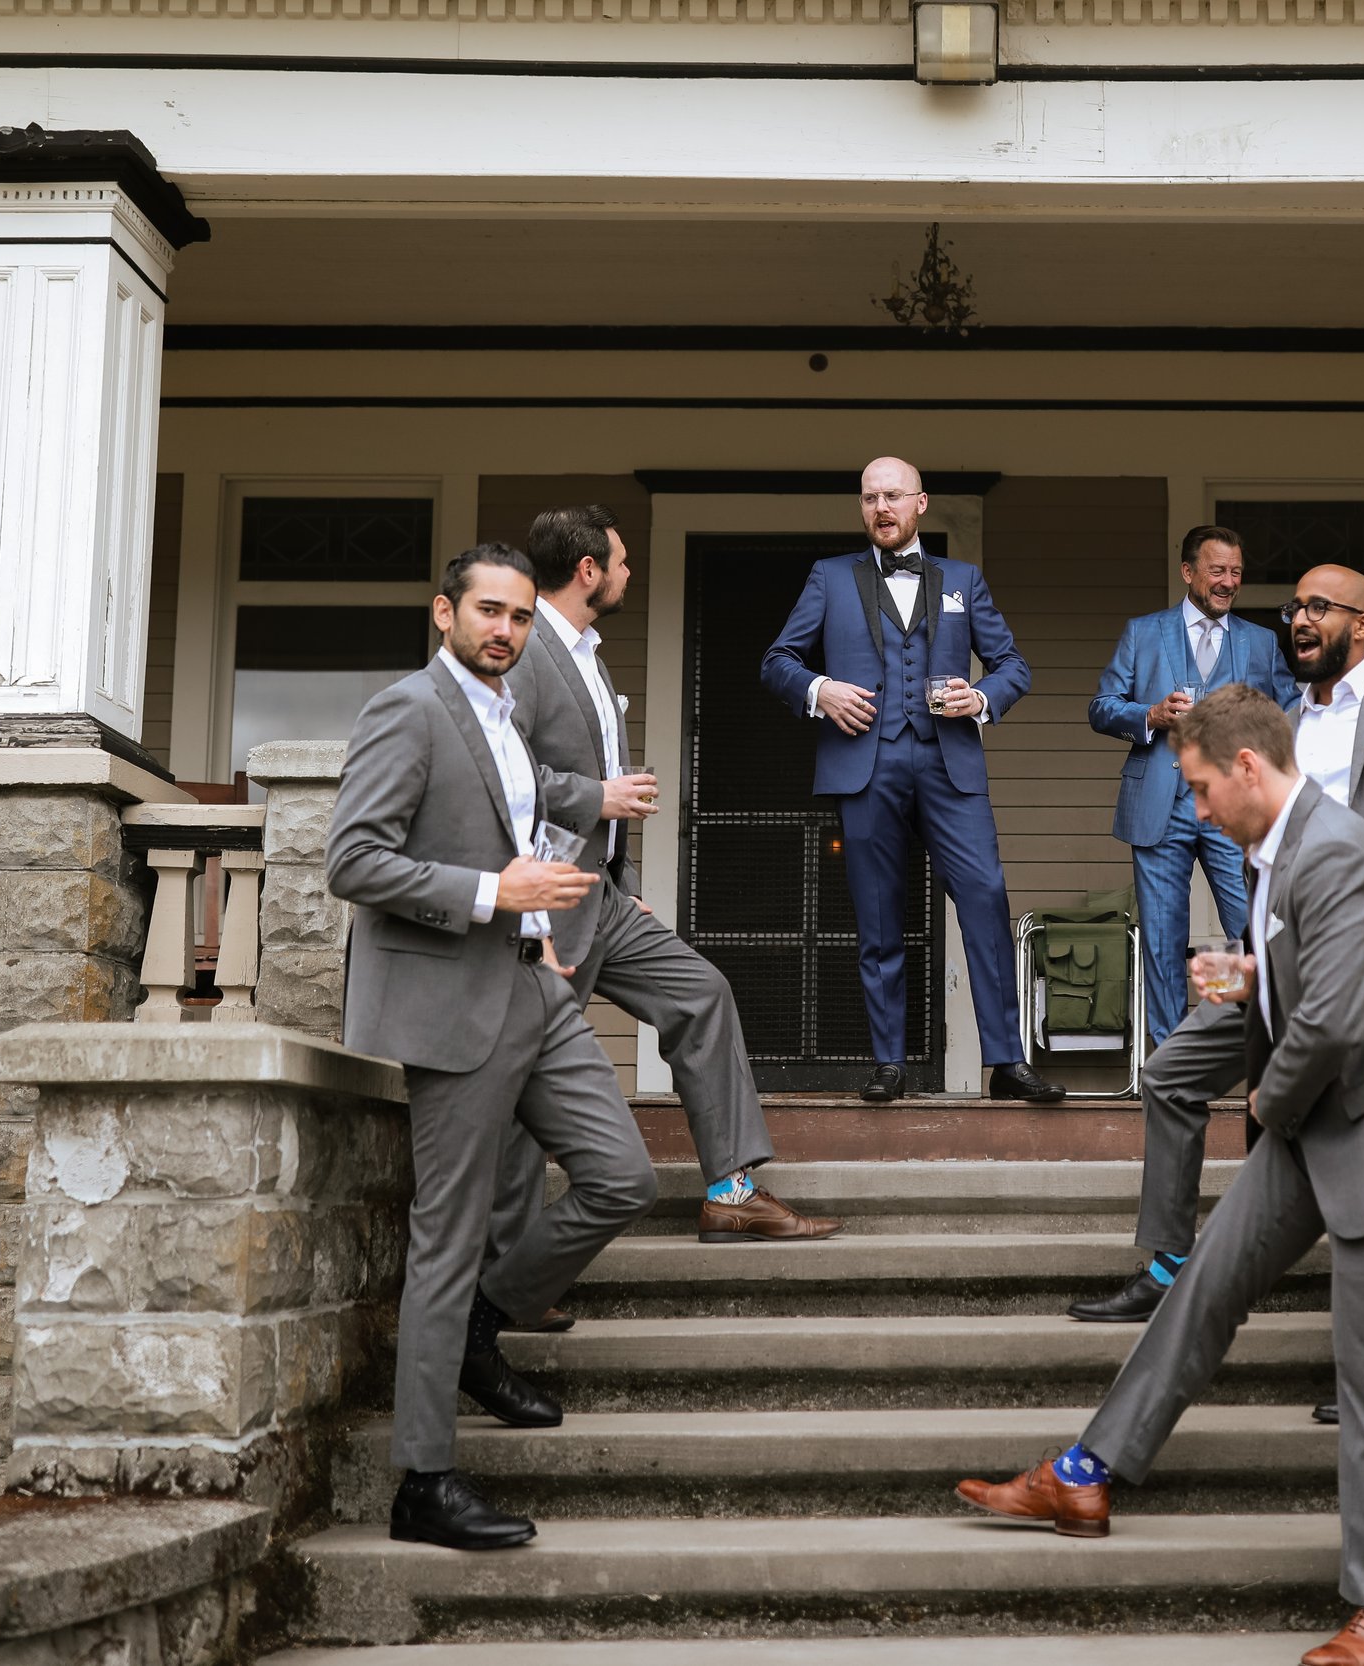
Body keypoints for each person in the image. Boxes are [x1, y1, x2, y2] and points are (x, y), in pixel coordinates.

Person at [954, 685, 1364, 1666]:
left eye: (1197, 789)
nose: (1193, 809)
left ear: (1246, 767)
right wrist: (1246, 980)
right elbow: (1311, 978)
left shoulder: (1337, 850)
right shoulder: (1277, 848)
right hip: (1318, 1124)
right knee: (1201, 1291)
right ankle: (1084, 1474)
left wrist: (1266, 1103)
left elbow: (1334, 1022)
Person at [1067, 563, 1364, 1328]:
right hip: (1276, 961)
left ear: (1362, 624)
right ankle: (1169, 1267)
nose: (1299, 619)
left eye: (1319, 607)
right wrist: (1243, 958)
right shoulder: (1278, 726)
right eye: (1293, 607)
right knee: (1171, 1074)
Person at [327, 542, 660, 1551]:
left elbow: (518, 836)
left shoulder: (506, 717)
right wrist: (492, 894)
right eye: (487, 611)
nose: (505, 629)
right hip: (452, 1003)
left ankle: (481, 1322)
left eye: (518, 615)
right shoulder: (409, 710)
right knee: (448, 1233)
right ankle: (423, 1481)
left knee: (622, 1176)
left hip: (532, 984)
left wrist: (538, 926)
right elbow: (354, 859)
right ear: (445, 613)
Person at [484, 504, 838, 1262]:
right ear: (588, 571)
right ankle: (508, 1269)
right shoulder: (528, 651)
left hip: (604, 897)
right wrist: (596, 798)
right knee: (528, 1073)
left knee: (700, 994)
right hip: (545, 902)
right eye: (619, 561)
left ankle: (731, 1196)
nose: (628, 573)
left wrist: (623, 875)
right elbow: (501, 775)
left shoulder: (589, 653)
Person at [760, 456, 1063, 1105]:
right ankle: (890, 1062)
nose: (881, 508)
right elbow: (777, 660)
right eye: (870, 498)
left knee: (985, 898)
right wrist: (820, 689)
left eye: (893, 496)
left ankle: (1006, 1062)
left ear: (920, 503)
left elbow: (1012, 665)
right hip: (865, 764)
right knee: (878, 914)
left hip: (949, 763)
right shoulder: (830, 576)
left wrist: (979, 698)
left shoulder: (963, 580)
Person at [1091, 525, 1298, 1049]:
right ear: (1188, 572)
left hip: (1235, 810)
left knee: (1251, 929)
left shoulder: (1260, 641)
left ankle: (1249, 1046)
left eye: (1236, 572)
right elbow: (1102, 707)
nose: (1228, 582)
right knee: (1162, 942)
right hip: (1159, 805)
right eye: (1217, 570)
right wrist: (1150, 715)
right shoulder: (1143, 633)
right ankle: (1169, 1059)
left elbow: (1292, 710)